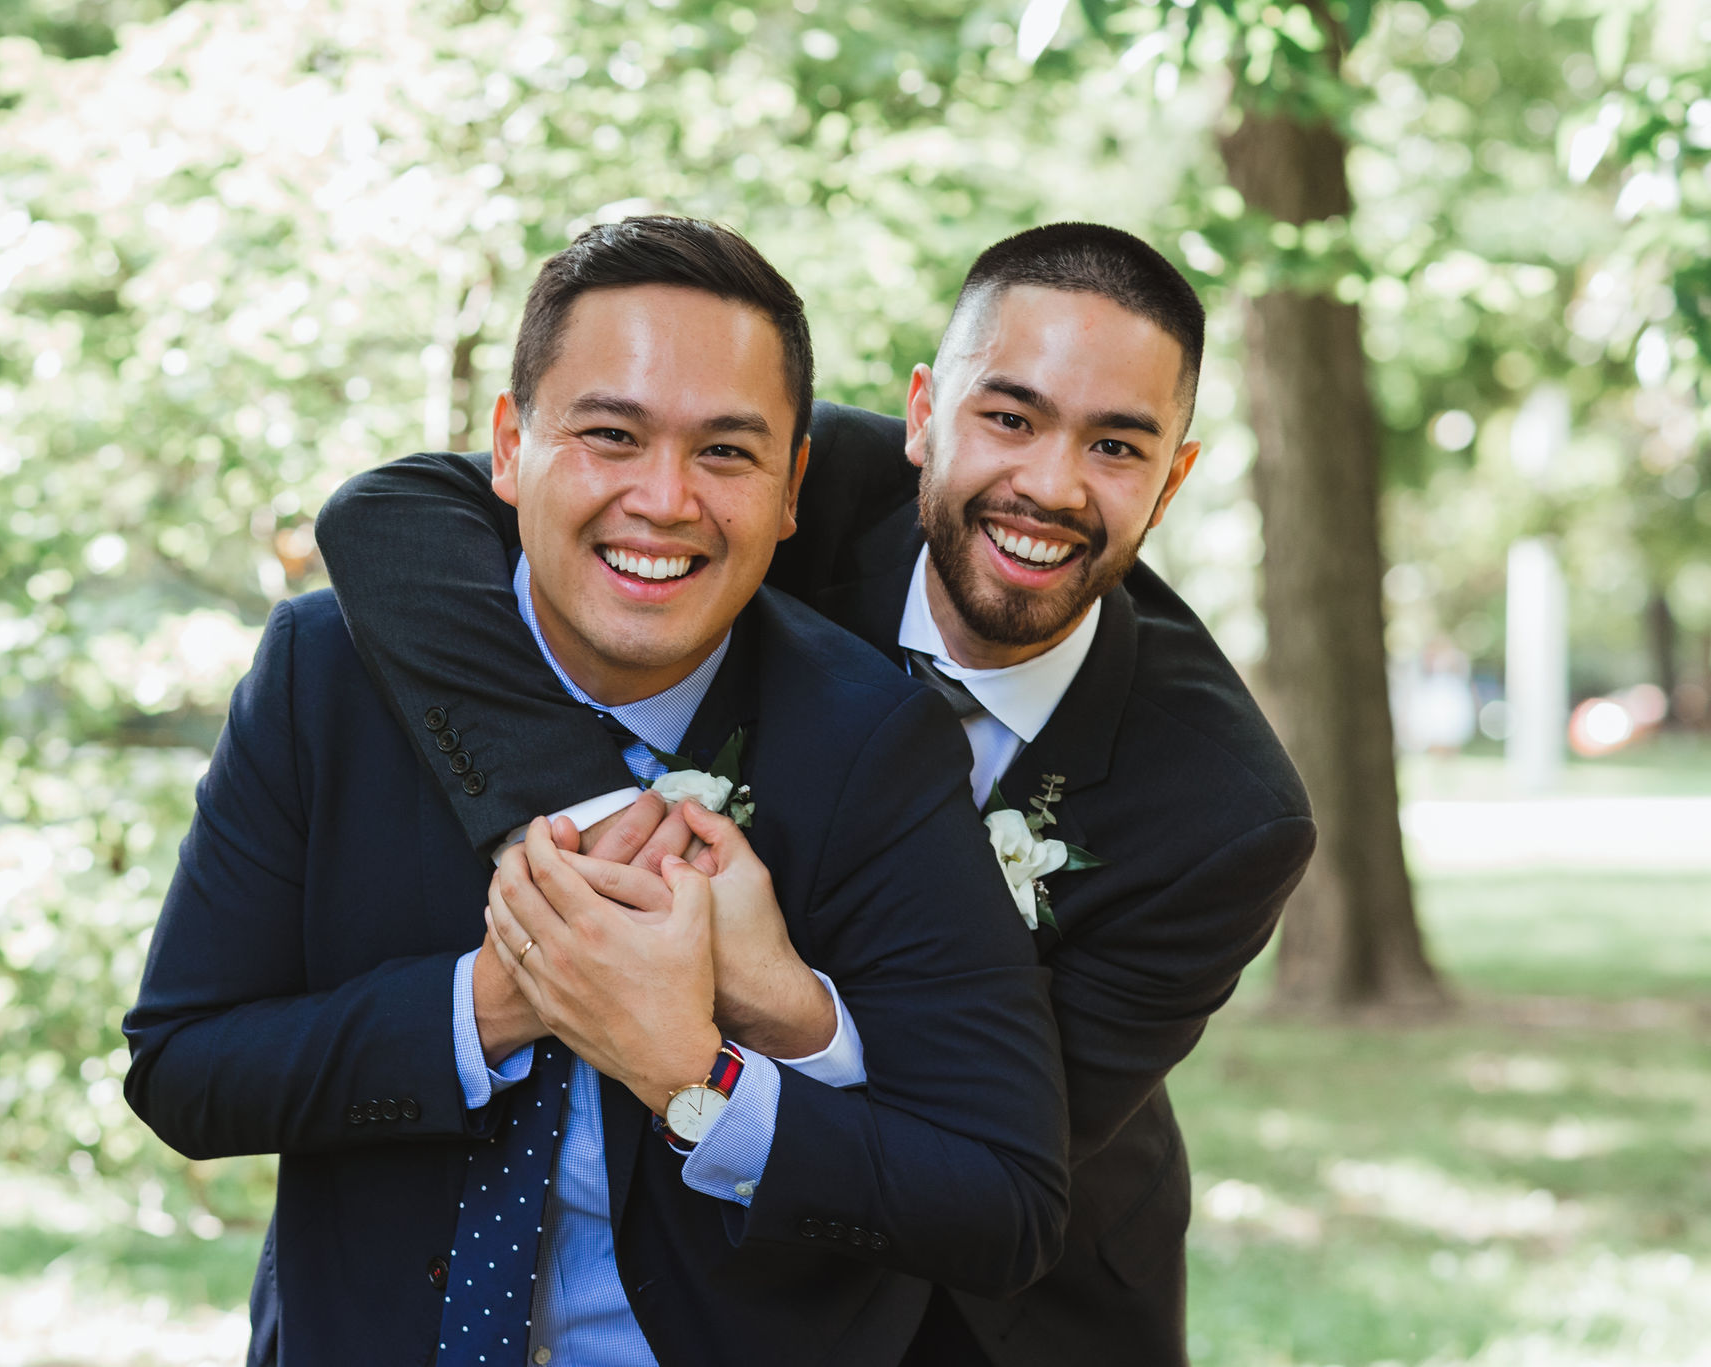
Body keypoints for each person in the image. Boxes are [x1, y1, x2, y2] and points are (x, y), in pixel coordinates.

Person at [318, 221, 1317, 1365]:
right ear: (923, 414)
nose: (1047, 482)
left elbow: (992, 1135)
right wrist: (587, 823)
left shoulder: (1224, 813)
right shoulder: (768, 485)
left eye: (1116, 446)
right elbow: (387, 518)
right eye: (1008, 417)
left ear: (1171, 478)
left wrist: (778, 1000)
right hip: (707, 1259)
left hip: (1001, 1310)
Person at [124, 215, 1068, 1367]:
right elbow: (182, 1066)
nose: (664, 499)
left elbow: (1002, 1202)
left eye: (725, 452)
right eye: (610, 434)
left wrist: (705, 1064)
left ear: (789, 487)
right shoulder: (327, 674)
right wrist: (491, 1000)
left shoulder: (873, 743)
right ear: (510, 447)